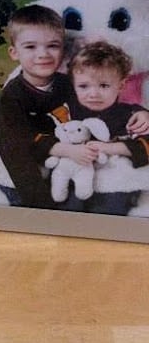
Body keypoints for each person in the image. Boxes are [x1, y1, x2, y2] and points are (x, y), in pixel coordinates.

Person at [0, 4, 74, 209]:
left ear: (63, 49)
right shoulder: (8, 100)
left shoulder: (68, 85)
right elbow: (17, 159)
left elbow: (101, 112)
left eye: (53, 46)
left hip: (65, 175)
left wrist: (140, 113)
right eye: (30, 47)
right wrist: (43, 208)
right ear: (14, 52)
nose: (43, 54)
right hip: (27, 188)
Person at [62, 41, 149, 215]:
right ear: (73, 85)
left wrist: (107, 147)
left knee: (111, 208)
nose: (93, 94)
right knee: (68, 206)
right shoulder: (67, 111)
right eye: (84, 86)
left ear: (121, 86)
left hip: (113, 181)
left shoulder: (129, 114)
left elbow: (145, 146)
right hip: (77, 177)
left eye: (104, 86)